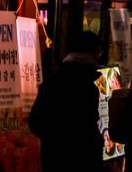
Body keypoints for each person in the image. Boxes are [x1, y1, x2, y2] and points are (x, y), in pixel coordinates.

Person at [28, 30, 103, 172]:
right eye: (98, 52)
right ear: (91, 56)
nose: (99, 58)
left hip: (54, 160)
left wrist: (53, 140)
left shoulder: (50, 83)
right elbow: (87, 132)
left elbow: (35, 123)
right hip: (82, 162)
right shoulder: (86, 88)